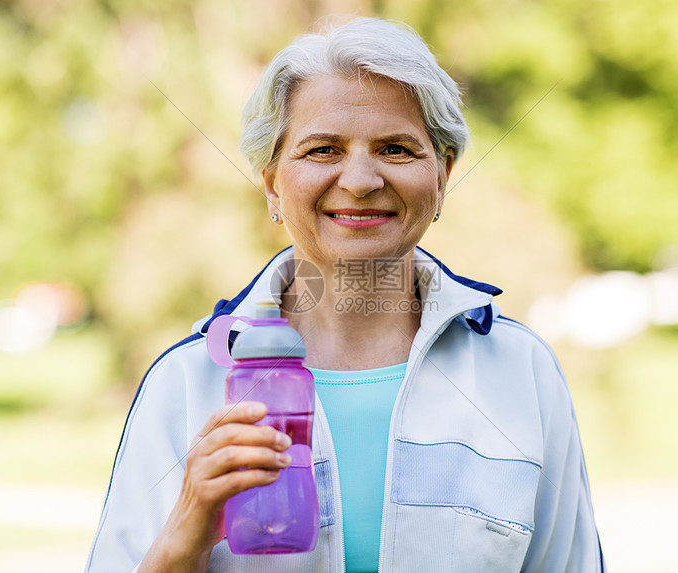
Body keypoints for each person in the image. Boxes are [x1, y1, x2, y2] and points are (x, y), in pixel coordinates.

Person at [86, 16, 605, 573]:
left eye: (397, 149)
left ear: (442, 176)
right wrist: (185, 532)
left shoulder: (521, 372)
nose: (359, 180)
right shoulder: (189, 382)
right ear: (272, 183)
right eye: (323, 150)